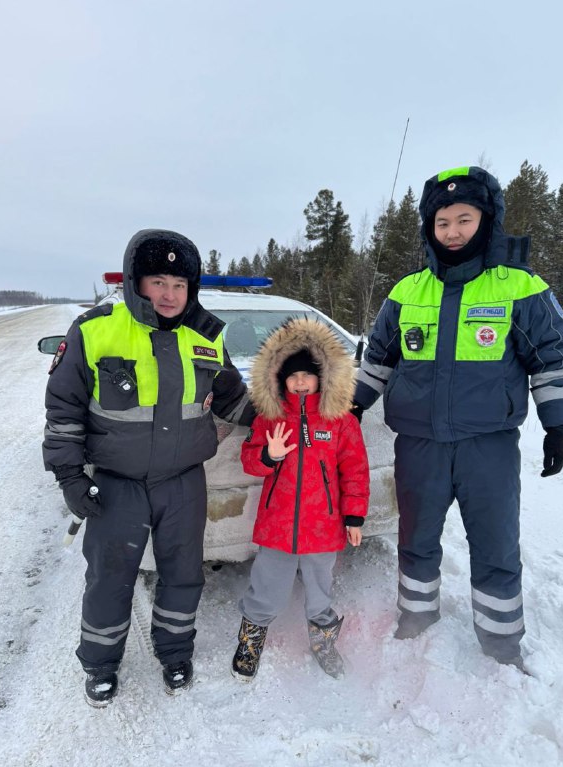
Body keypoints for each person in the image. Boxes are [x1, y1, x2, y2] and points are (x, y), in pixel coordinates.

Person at [352, 166, 563, 670]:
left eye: (464, 219)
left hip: (487, 445)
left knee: (495, 543)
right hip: (419, 445)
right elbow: (379, 360)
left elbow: (554, 356)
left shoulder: (519, 287)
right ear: (429, 228)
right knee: (417, 538)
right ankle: (416, 618)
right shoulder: (408, 292)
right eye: (443, 222)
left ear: (486, 220)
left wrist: (558, 424)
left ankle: (500, 645)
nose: (452, 231)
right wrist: (354, 404)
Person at [43, 229, 255, 707]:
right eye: (158, 281)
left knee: (184, 573)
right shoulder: (95, 329)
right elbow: (63, 411)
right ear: (136, 282)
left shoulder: (203, 335)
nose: (169, 294)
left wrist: (286, 417)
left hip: (183, 482)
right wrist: (70, 477)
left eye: (179, 285)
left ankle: (175, 651)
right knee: (109, 575)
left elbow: (233, 397)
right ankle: (100, 663)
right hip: (118, 484)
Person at [231, 318, 370, 681]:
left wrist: (354, 517)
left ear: (322, 377)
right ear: (280, 379)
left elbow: (354, 470)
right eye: (293, 377)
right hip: (277, 525)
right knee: (268, 586)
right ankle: (251, 639)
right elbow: (250, 461)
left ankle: (323, 639)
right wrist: (269, 455)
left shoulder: (340, 421)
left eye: (307, 375)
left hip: (323, 524)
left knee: (320, 588)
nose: (300, 382)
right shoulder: (270, 417)